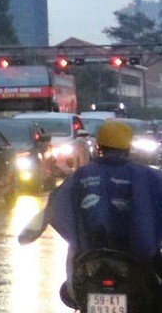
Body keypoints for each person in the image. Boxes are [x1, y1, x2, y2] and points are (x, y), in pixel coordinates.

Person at [39, 119, 162, 290]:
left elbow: (58, 208)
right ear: (128, 147)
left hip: (90, 259)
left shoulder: (81, 176)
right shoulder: (148, 176)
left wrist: (80, 239)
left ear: (98, 146)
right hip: (140, 259)